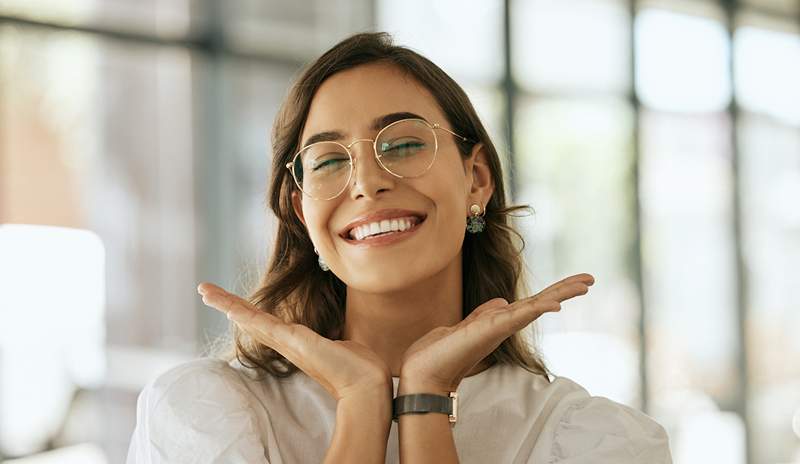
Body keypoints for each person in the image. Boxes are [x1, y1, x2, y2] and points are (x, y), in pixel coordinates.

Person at [126, 31, 673, 463]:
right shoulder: (204, 413)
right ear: (302, 213)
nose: (365, 182)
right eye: (329, 161)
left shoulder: (595, 441)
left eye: (405, 143)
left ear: (477, 179)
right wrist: (362, 405)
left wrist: (426, 400)